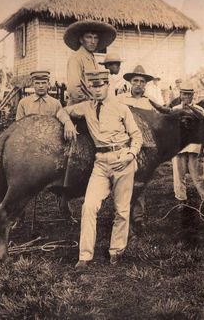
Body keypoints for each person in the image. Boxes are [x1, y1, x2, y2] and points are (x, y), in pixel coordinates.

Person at [56, 69, 142, 270]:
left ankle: (116, 251)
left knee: (121, 209)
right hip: (101, 162)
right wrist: (68, 122)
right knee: (88, 206)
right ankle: (85, 256)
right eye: (93, 86)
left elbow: (136, 136)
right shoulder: (86, 107)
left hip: (123, 159)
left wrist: (130, 155)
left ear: (107, 85)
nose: (96, 90)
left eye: (100, 85)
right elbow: (61, 111)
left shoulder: (122, 108)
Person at [171, 81, 204, 205]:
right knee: (179, 174)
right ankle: (181, 199)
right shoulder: (174, 109)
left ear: (193, 95)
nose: (187, 97)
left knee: (196, 174)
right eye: (185, 94)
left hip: (193, 146)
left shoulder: (199, 109)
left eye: (190, 94)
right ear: (180, 95)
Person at [64, 20, 117, 105]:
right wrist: (90, 104)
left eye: (96, 38)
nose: (93, 41)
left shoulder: (91, 57)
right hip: (80, 106)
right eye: (89, 37)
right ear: (81, 40)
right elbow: (74, 89)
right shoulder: (76, 58)